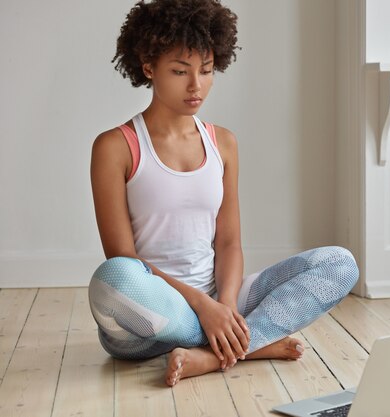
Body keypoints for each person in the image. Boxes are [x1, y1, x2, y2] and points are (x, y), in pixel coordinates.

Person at [88, 0, 359, 387]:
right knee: (113, 278)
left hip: (218, 296)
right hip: (148, 315)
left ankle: (216, 353)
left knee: (340, 262)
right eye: (180, 71)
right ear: (149, 67)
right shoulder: (115, 146)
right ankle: (253, 341)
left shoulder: (224, 143)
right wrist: (204, 308)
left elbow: (229, 243)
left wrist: (226, 305)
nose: (196, 85)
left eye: (207, 70)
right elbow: (124, 257)